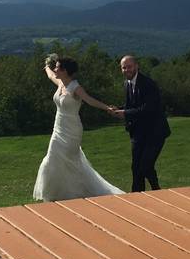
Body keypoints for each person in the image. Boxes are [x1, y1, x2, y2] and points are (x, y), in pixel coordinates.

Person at [33, 56, 124, 202]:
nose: (55, 69)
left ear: (65, 71)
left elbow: (89, 100)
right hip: (58, 129)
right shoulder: (60, 83)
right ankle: (55, 195)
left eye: (57, 67)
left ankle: (75, 192)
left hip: (72, 130)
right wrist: (47, 65)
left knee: (69, 161)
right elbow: (50, 75)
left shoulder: (75, 87)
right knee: (52, 158)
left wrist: (107, 108)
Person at [111, 55, 171, 192]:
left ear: (137, 66)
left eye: (129, 66)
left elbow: (148, 109)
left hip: (155, 132)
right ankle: (137, 195)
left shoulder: (148, 84)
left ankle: (156, 190)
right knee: (136, 167)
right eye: (123, 67)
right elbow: (131, 105)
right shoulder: (127, 83)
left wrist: (125, 113)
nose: (126, 70)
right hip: (138, 132)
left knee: (145, 166)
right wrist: (117, 109)